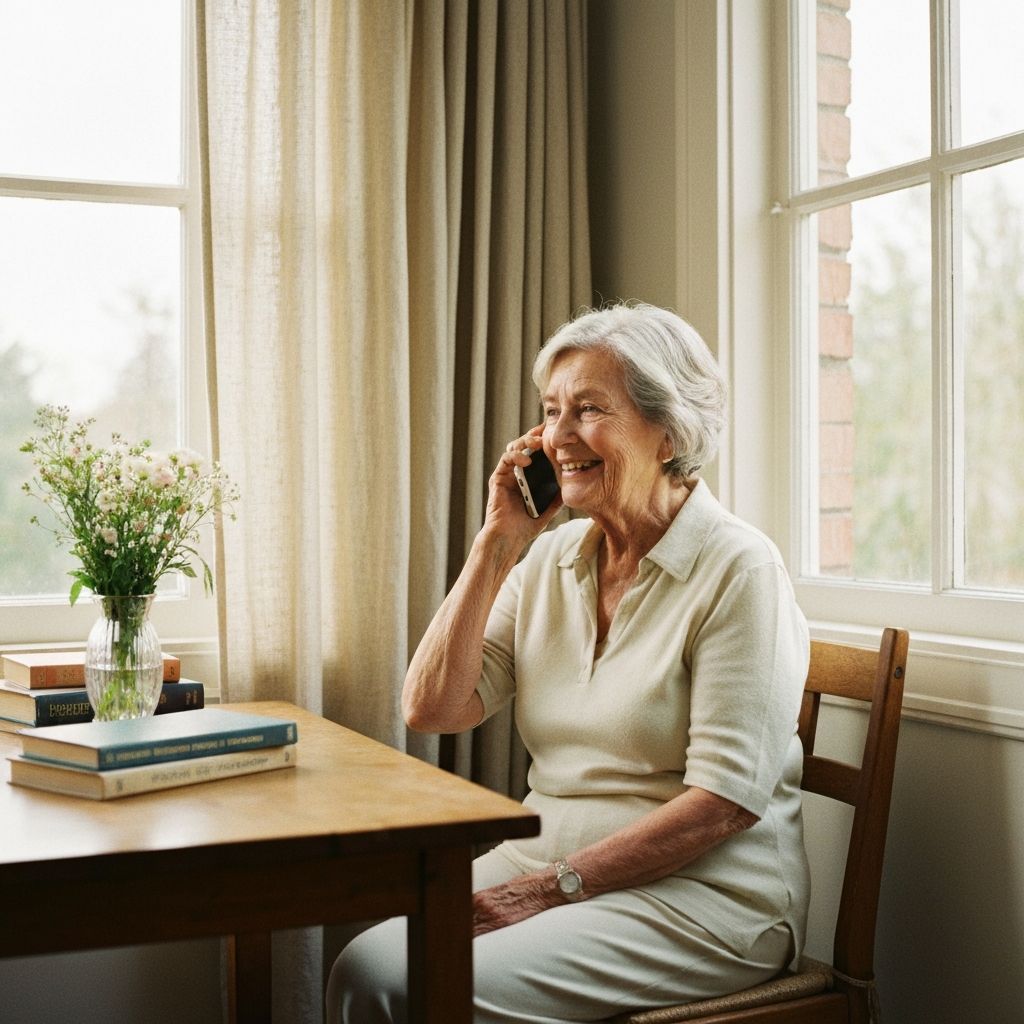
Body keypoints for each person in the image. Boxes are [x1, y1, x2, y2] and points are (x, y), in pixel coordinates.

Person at [327, 302, 811, 1023]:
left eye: (588, 410)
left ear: (670, 430)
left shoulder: (741, 570)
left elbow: (722, 806)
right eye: (550, 412)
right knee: (361, 962)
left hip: (702, 900)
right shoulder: (551, 557)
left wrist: (543, 893)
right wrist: (498, 541)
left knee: (403, 984)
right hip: (551, 864)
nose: (556, 437)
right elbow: (432, 708)